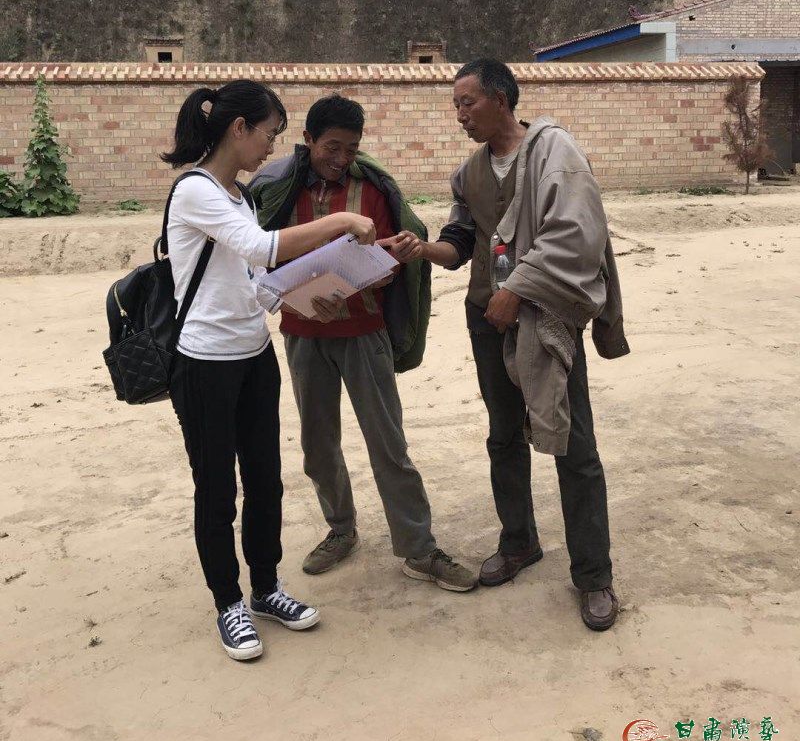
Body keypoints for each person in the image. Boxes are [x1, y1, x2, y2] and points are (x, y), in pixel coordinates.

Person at [380, 59, 629, 630]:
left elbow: (578, 234)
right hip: (486, 320)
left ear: (501, 99)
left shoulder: (554, 152)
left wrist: (516, 290)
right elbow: (460, 242)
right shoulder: (470, 173)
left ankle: (594, 575)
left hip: (545, 316)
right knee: (503, 435)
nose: (460, 115)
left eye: (467, 103)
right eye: (455, 105)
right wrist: (422, 250)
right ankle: (519, 542)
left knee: (573, 442)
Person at [162, 80, 377, 661]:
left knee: (265, 480)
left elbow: (255, 281)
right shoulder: (195, 191)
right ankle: (228, 602)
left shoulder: (241, 196)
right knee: (216, 487)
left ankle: (265, 588)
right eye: (269, 134)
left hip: (253, 356)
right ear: (239, 129)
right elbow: (261, 249)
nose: (272, 147)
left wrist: (305, 297)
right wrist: (342, 222)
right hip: (205, 363)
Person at [250, 93, 477, 592]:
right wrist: (297, 299)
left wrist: (391, 258)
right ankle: (341, 530)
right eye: (331, 147)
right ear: (308, 140)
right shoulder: (277, 192)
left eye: (351, 149)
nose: (341, 158)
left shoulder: (371, 191)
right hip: (304, 336)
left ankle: (419, 548)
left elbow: (389, 260)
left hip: (364, 334)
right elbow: (258, 264)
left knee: (388, 444)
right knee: (318, 445)